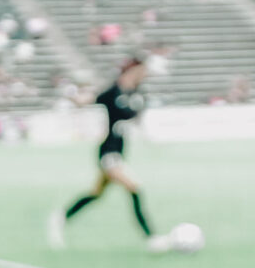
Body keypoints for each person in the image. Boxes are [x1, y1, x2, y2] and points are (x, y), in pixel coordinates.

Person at [48, 59, 179, 253]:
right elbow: (86, 101)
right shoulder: (112, 92)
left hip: (119, 152)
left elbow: (136, 119)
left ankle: (61, 217)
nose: (145, 75)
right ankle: (151, 238)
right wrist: (69, 92)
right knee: (134, 189)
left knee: (96, 194)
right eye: (142, 71)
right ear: (132, 70)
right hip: (108, 152)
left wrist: (150, 139)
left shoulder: (135, 93)